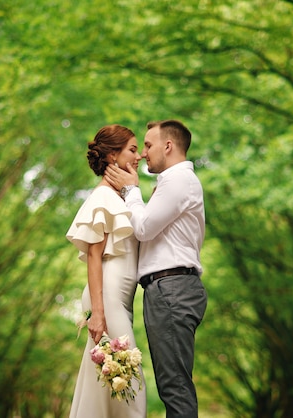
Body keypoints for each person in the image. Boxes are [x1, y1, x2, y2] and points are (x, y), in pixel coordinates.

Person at [105, 119, 208, 418]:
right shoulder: (171, 183)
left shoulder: (179, 180)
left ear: (168, 145)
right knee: (171, 384)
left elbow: (145, 227)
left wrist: (130, 190)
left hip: (172, 289)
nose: (142, 154)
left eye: (148, 145)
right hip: (169, 289)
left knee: (174, 385)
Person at [66, 124, 146, 418]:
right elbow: (93, 257)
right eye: (133, 150)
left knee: (109, 393)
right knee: (130, 390)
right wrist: (98, 313)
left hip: (119, 301)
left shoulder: (122, 198)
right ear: (113, 156)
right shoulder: (102, 199)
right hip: (106, 300)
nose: (140, 157)